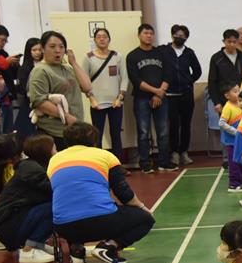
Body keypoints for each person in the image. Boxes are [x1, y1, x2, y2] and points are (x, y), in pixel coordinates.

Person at [48, 122, 154, 263]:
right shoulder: (105, 156)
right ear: (93, 139)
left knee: (73, 205)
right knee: (145, 219)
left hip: (63, 227)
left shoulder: (54, 160)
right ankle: (109, 247)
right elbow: (123, 193)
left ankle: (76, 250)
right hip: (100, 223)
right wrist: (142, 207)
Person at [0, 133, 55, 263]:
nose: (57, 152)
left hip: (12, 221)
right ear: (45, 152)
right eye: (54, 148)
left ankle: (37, 245)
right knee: (55, 208)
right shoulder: (33, 170)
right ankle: (30, 249)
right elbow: (53, 190)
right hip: (9, 225)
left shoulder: (31, 166)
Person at [126, 24, 175, 172]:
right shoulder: (132, 56)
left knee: (163, 131)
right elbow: (136, 80)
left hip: (161, 98)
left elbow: (168, 74)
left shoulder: (161, 53)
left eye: (151, 33)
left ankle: (164, 162)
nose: (148, 36)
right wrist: (156, 91)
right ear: (139, 35)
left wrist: (160, 93)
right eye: (145, 33)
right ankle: (145, 163)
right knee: (143, 132)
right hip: (141, 98)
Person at [84, 28, 127, 160]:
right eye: (99, 37)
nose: (102, 39)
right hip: (97, 104)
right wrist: (91, 98)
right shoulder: (88, 57)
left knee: (116, 135)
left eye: (105, 36)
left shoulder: (117, 56)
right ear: (95, 40)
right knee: (97, 136)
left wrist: (120, 97)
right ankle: (99, 164)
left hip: (116, 103)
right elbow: (83, 80)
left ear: (109, 39)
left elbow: (125, 78)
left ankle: (117, 165)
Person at [164, 24, 202, 166]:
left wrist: (188, 81)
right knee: (173, 125)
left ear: (186, 38)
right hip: (170, 94)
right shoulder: (164, 51)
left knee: (186, 124)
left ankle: (184, 151)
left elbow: (197, 70)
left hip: (186, 94)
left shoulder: (189, 52)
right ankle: (174, 152)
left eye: (183, 36)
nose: (180, 38)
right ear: (172, 35)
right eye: (177, 35)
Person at [13, 37, 42, 138]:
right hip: (30, 103)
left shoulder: (46, 65)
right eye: (34, 50)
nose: (38, 52)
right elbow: (23, 88)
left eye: (40, 49)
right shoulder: (24, 68)